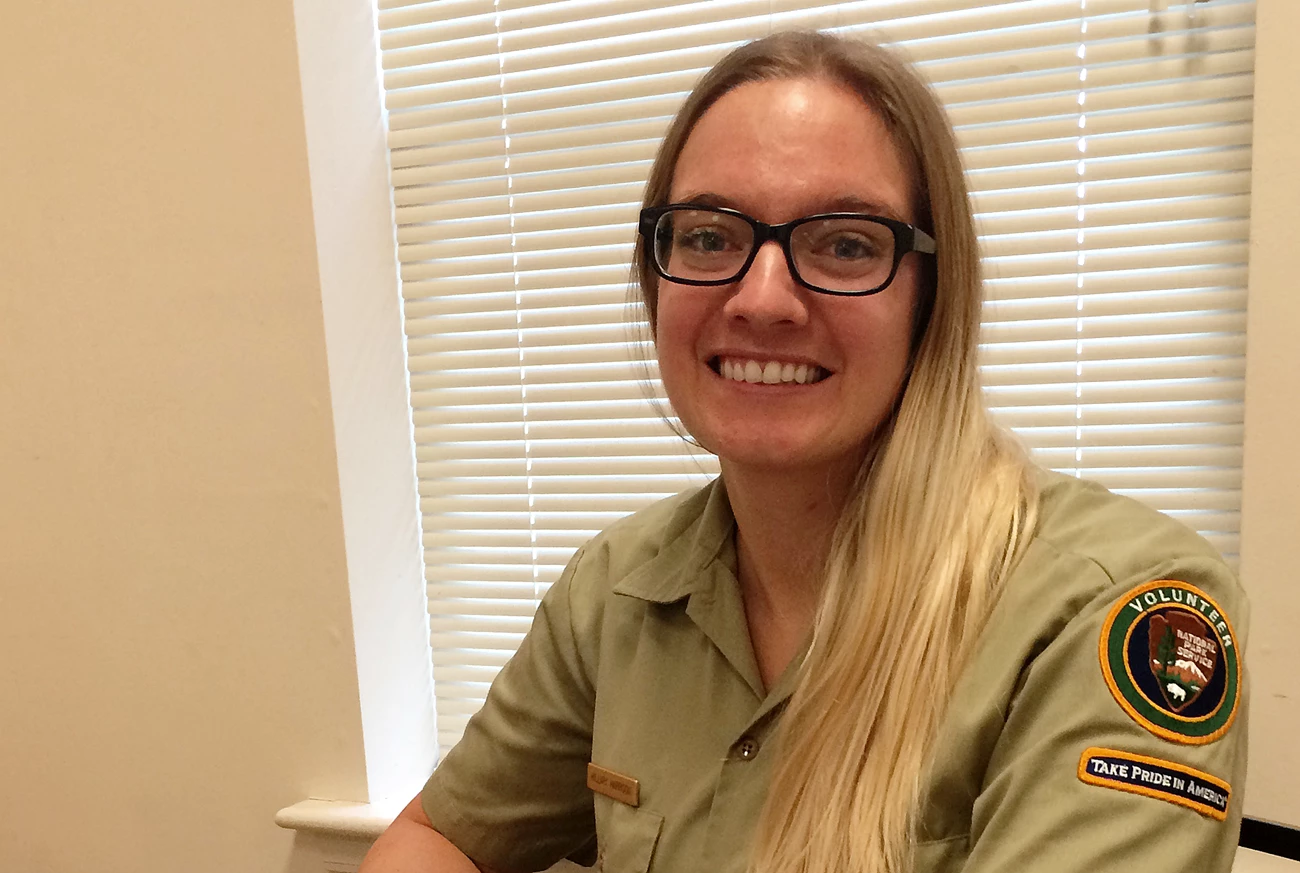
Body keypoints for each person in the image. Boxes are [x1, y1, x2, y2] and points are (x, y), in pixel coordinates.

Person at [361, 31, 1248, 873]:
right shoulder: (617, 594)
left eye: (846, 245)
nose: (762, 298)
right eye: (709, 236)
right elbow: (440, 835)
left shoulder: (1114, 612)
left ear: (931, 300)